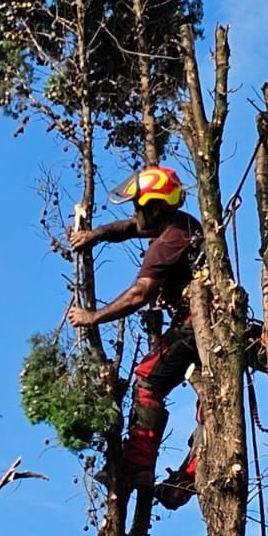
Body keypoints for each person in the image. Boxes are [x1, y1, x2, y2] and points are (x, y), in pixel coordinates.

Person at [67, 165, 205, 506]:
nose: (134, 212)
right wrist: (96, 234)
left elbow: (139, 294)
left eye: (139, 205)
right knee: (212, 402)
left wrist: (92, 317)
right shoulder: (182, 224)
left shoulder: (166, 244)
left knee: (147, 380)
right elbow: (132, 227)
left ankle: (137, 466)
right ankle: (190, 475)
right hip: (208, 322)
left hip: (196, 323)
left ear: (155, 207)